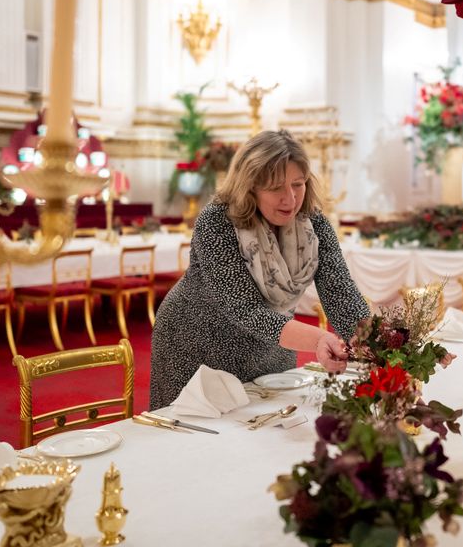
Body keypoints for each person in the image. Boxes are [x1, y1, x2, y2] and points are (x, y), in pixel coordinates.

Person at [150, 130, 370, 408]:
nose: (290, 198)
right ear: (250, 186)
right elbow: (246, 310)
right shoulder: (217, 222)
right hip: (199, 345)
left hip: (272, 344)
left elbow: (341, 293)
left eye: (298, 184)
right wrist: (318, 339)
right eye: (276, 187)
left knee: (269, 430)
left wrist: (384, 345)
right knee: (197, 440)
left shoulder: (314, 224)